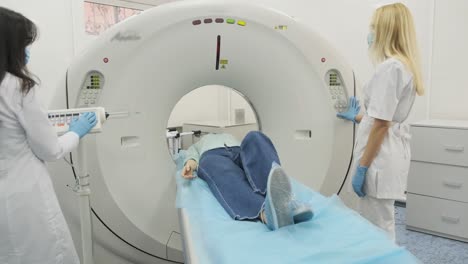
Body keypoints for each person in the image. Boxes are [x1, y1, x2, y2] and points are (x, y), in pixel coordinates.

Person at [0, 7, 97, 263]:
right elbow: (50, 150)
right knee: (45, 253)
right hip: (25, 193)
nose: (26, 50)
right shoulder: (18, 86)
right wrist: (76, 132)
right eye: (24, 44)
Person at [337, 2, 424, 241]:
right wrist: (356, 117)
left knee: (378, 227)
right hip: (388, 152)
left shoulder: (390, 67)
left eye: (374, 27)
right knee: (378, 221)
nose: (370, 33)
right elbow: (384, 117)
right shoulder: (403, 65)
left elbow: (382, 124)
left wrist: (362, 168)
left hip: (378, 159)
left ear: (387, 30)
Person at [181, 131, 313, 230]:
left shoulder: (229, 135)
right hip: (213, 155)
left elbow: (253, 152)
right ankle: (266, 212)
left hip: (239, 151)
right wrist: (190, 164)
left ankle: (285, 201)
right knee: (213, 165)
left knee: (254, 136)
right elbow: (192, 154)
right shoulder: (202, 142)